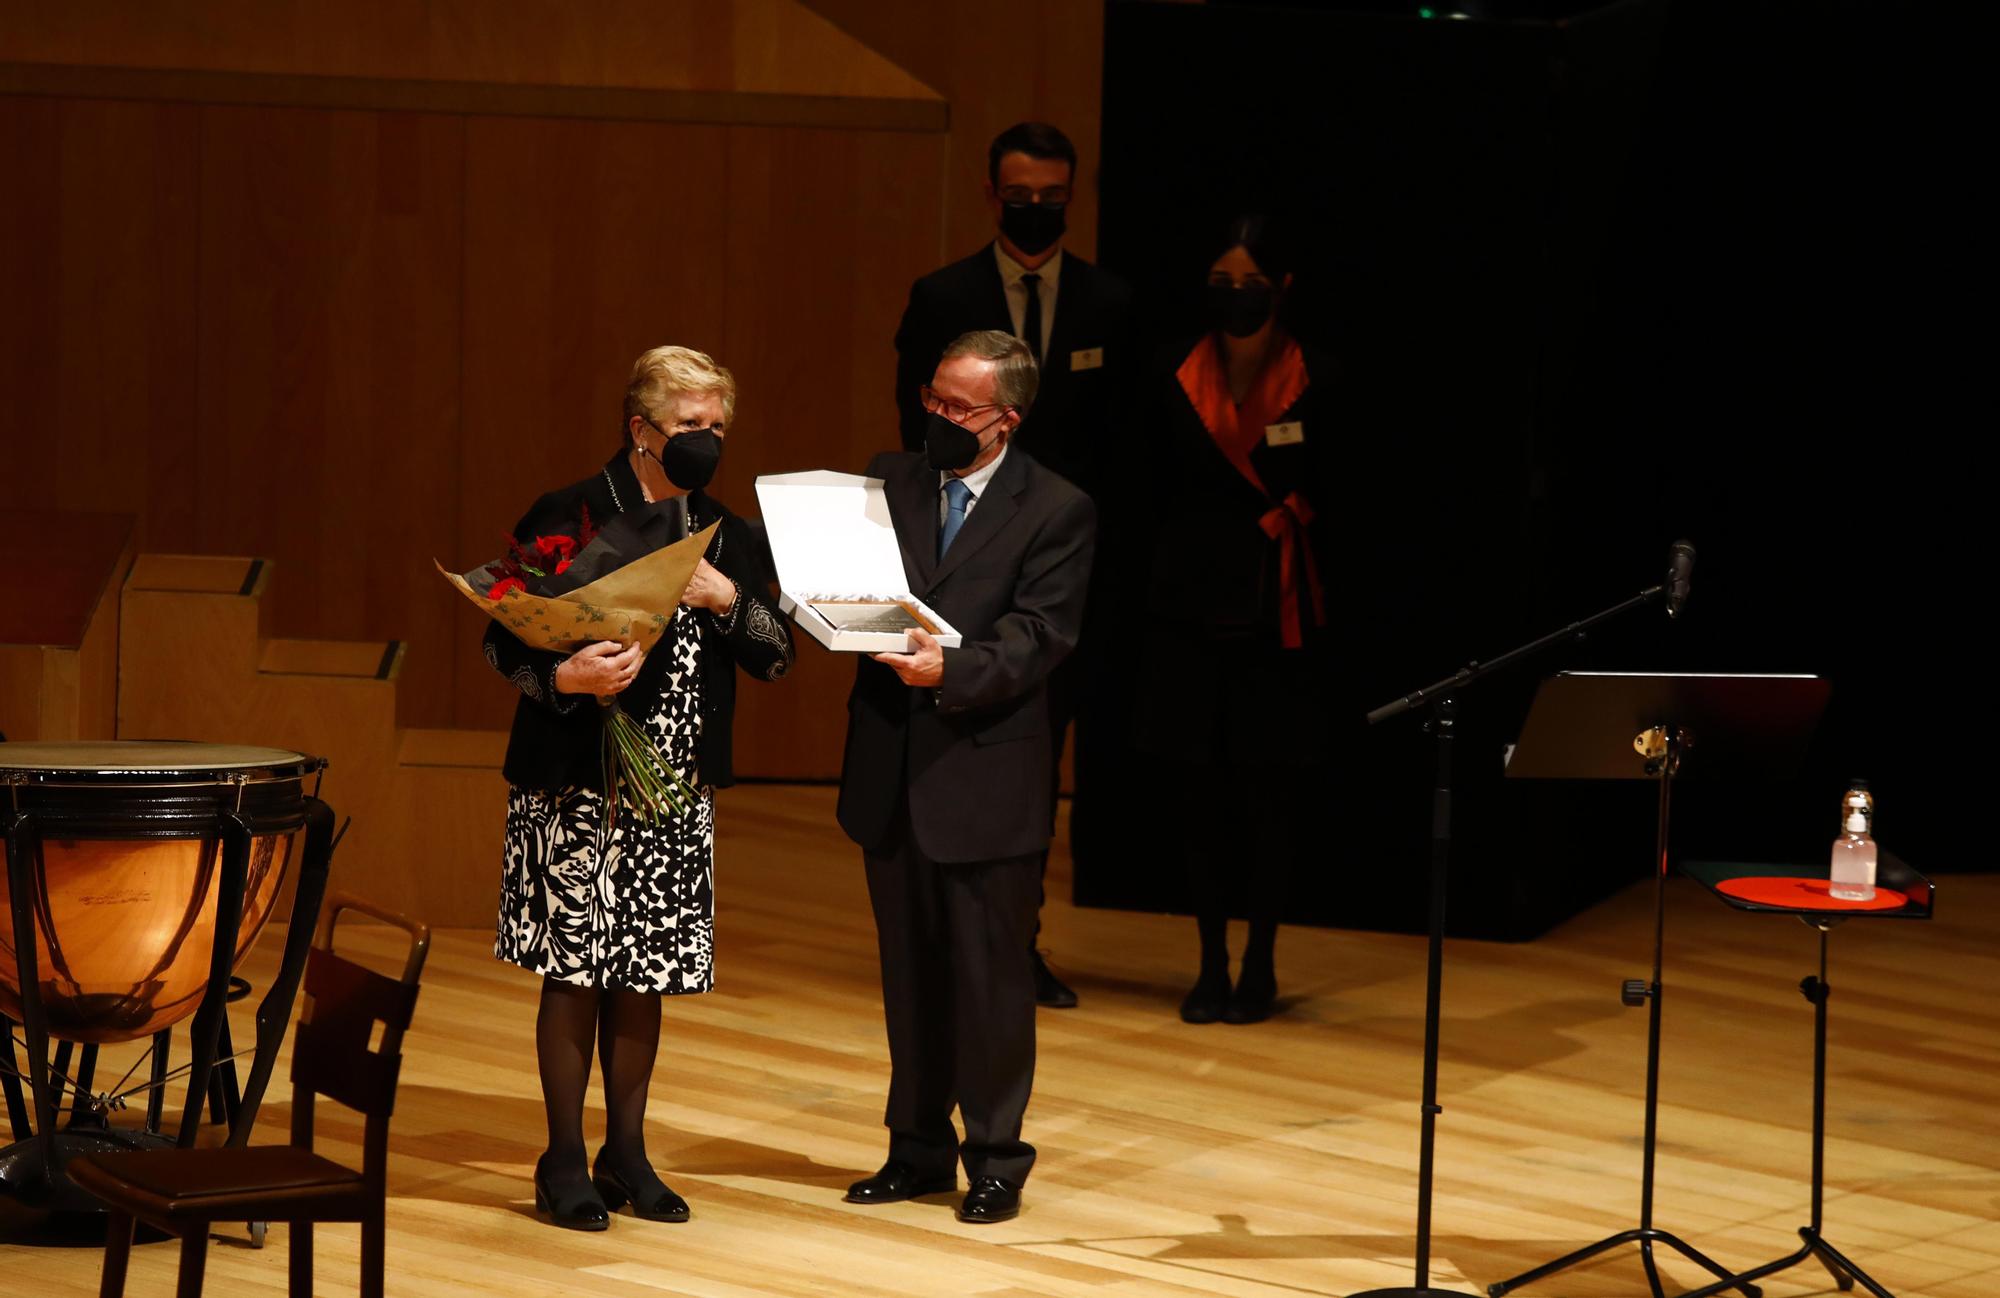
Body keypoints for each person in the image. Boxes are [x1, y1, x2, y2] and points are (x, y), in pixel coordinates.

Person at [483, 345, 794, 1230]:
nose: (705, 442)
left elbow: (775, 655)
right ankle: (564, 1159)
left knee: (643, 973)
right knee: (574, 971)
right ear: (641, 430)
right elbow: (503, 639)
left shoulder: (727, 534)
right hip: (579, 782)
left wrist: (725, 597)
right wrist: (565, 678)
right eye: (689, 426)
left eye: (716, 428)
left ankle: (627, 1150)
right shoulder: (572, 514)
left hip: (672, 792)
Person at [839, 330, 1095, 1224]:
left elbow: (1041, 634)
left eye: (958, 409)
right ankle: (915, 1149)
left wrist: (952, 670)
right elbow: (841, 583)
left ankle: (996, 1157)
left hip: (983, 773)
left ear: (1006, 421)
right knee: (909, 979)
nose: (937, 419)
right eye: (932, 399)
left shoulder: (1057, 508)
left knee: (989, 985)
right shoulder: (889, 480)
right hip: (892, 767)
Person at [892, 121, 1134, 1009]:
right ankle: (937, 923)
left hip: (1056, 569)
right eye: (1021, 193)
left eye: (1054, 196)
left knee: (1032, 760)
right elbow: (912, 447)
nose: (1037, 209)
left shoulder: (1111, 303)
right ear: (993, 194)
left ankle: (1014, 939)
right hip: (952, 563)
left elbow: (1126, 445)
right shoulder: (942, 294)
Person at [1135, 215, 1342, 1026]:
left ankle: (1260, 961)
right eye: (1219, 283)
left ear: (1282, 287)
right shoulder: (1169, 371)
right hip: (1188, 607)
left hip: (1276, 611)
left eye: (1249, 283)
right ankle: (1209, 963)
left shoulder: (1321, 375)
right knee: (1198, 797)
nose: (1233, 297)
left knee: (1267, 797)